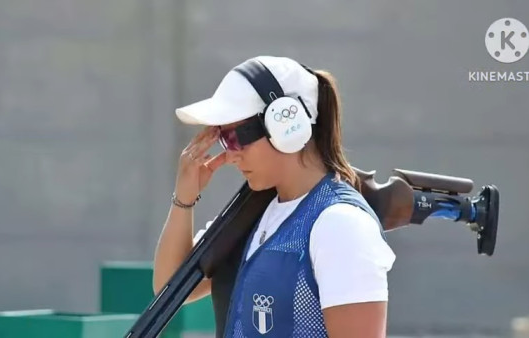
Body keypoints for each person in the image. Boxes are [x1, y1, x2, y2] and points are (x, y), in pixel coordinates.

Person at [152, 55, 396, 338]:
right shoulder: (249, 215)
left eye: (236, 137)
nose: (230, 155)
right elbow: (170, 289)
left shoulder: (340, 224)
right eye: (223, 139)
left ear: (285, 122)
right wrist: (184, 199)